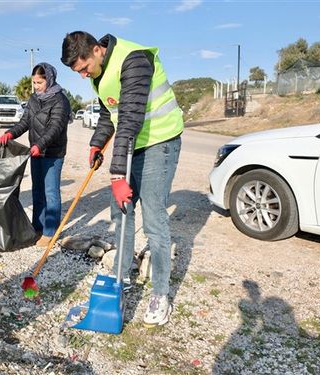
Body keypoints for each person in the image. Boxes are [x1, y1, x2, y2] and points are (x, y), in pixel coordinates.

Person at [61, 31, 183, 327]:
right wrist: (96, 142)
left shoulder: (134, 60)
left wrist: (117, 174)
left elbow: (129, 119)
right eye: (77, 72)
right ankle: (121, 274)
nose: (82, 75)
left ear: (96, 50)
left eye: (83, 68)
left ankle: (160, 293)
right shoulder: (98, 74)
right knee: (121, 210)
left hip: (160, 140)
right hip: (135, 143)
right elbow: (109, 113)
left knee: (153, 216)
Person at [0, 62, 71, 247]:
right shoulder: (33, 99)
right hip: (36, 152)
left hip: (52, 153)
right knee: (37, 191)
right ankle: (37, 226)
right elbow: (25, 122)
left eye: (40, 82)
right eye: (34, 83)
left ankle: (50, 231)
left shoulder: (60, 100)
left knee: (51, 192)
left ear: (49, 79)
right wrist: (10, 133)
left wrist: (40, 144)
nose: (36, 86)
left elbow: (55, 128)